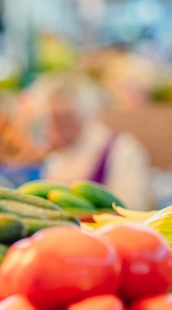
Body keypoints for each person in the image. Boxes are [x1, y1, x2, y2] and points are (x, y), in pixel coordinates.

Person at [36, 74, 154, 210]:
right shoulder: (50, 155)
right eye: (54, 119)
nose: (59, 128)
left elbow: (130, 207)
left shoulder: (122, 150)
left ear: (86, 115)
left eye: (67, 119)